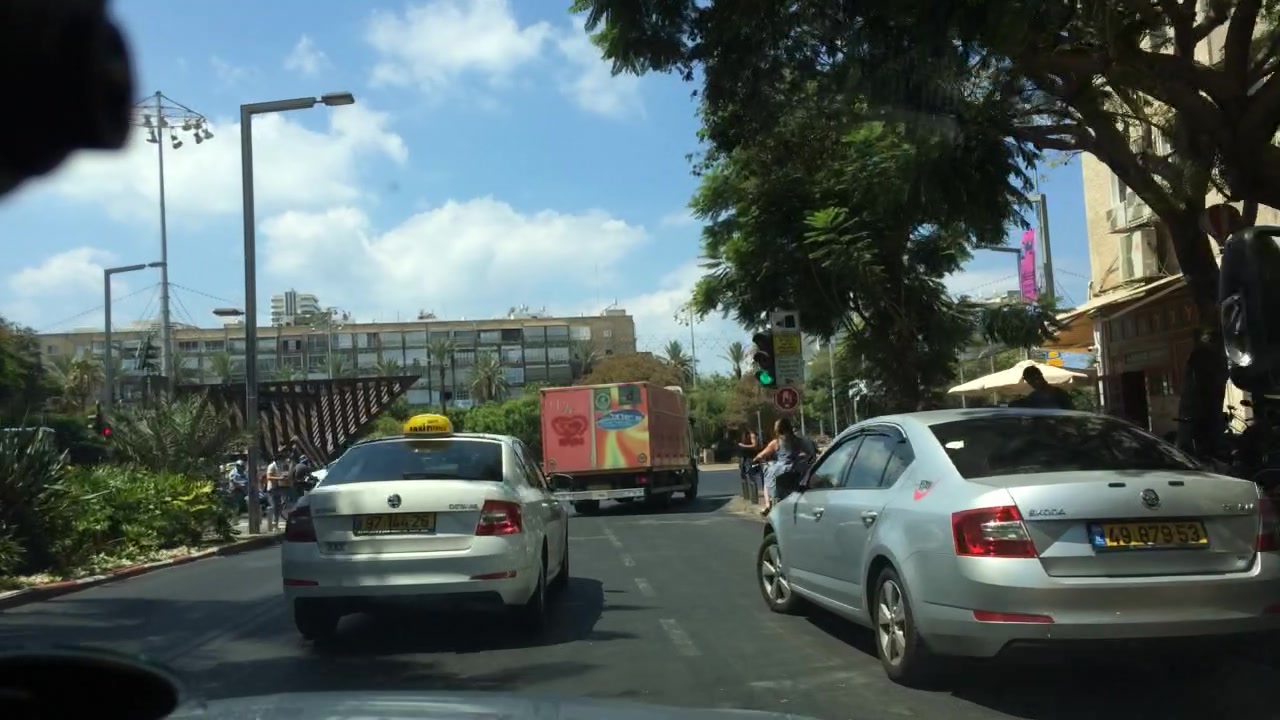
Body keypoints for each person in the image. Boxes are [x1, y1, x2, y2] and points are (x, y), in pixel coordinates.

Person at [752, 417, 817, 515]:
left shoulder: (776, 442)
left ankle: (768, 505)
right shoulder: (798, 441)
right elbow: (811, 454)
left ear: (778, 429)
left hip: (780, 470)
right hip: (796, 468)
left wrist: (756, 459)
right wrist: (805, 461)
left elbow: (761, 455)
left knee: (767, 478)